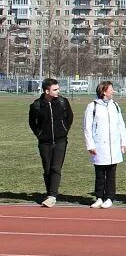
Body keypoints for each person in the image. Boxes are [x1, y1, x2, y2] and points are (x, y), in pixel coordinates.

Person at [28, 78, 73, 208]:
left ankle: (52, 195)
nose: (58, 91)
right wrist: (40, 134)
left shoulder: (63, 102)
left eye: (58, 89)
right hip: (44, 142)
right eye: (55, 89)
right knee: (47, 169)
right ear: (47, 91)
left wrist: (64, 130)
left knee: (55, 168)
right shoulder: (36, 105)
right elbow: (32, 123)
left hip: (60, 141)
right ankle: (49, 193)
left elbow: (69, 118)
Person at [83, 81, 126, 209]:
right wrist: (90, 145)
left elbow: (121, 124)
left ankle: (109, 197)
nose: (113, 91)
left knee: (111, 173)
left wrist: (124, 142)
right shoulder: (92, 106)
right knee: (100, 173)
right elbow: (87, 127)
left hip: (113, 145)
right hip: (99, 145)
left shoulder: (115, 106)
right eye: (111, 89)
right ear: (104, 91)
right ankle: (99, 197)